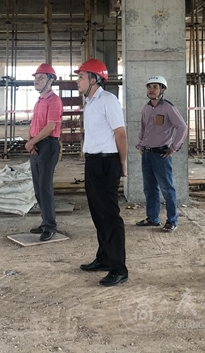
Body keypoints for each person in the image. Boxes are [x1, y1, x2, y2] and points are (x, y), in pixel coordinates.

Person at [75, 59, 129, 287]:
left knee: (110, 215)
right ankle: (104, 258)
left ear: (94, 79)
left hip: (108, 162)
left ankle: (119, 269)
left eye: (81, 77)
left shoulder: (108, 100)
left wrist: (122, 163)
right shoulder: (90, 102)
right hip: (93, 162)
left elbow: (121, 134)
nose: (77, 81)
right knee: (98, 213)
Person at [135, 75, 187, 232]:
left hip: (161, 155)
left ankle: (172, 221)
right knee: (149, 188)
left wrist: (173, 147)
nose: (151, 90)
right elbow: (143, 128)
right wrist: (140, 144)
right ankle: (153, 218)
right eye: (149, 87)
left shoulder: (168, 108)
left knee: (167, 189)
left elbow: (182, 127)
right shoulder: (146, 108)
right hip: (147, 154)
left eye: (155, 87)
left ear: (162, 90)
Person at [25, 63, 64, 242]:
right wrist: (31, 141)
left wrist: (32, 142)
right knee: (38, 188)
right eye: (36, 78)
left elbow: (50, 127)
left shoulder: (54, 101)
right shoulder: (39, 100)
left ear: (51, 80)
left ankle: (50, 227)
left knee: (45, 187)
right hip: (37, 145)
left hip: (48, 146)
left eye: (41, 78)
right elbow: (34, 123)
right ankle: (45, 222)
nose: (36, 81)